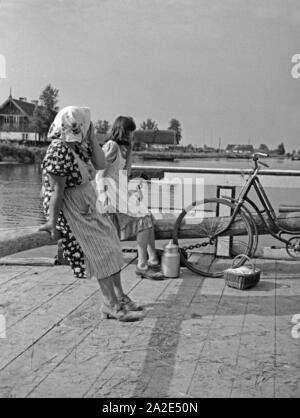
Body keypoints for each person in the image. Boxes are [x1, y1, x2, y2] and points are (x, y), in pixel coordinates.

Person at [39, 106, 144, 321]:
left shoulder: (79, 146)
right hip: (70, 204)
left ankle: (120, 296)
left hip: (86, 198)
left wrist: (91, 138)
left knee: (112, 243)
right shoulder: (58, 150)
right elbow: (57, 190)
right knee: (100, 249)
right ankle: (111, 304)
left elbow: (100, 163)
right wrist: (51, 222)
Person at [96, 116, 163, 280]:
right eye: (131, 132)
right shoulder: (111, 146)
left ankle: (151, 259)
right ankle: (143, 265)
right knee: (144, 218)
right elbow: (99, 174)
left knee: (147, 217)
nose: (132, 135)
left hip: (119, 192)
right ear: (124, 131)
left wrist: (130, 152)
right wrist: (103, 196)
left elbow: (125, 174)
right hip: (110, 194)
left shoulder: (121, 149)